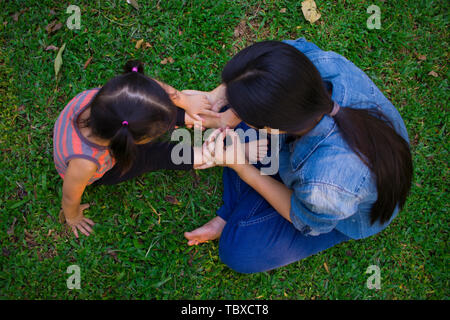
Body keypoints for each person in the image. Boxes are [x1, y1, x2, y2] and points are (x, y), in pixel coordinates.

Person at [184, 38, 413, 274]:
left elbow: (303, 219)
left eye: (245, 114)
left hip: (327, 205)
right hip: (311, 154)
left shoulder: (326, 185)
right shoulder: (315, 65)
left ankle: (238, 205)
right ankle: (242, 199)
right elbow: (273, 57)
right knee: (227, 117)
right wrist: (220, 96)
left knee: (238, 250)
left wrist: (242, 168)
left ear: (272, 127)